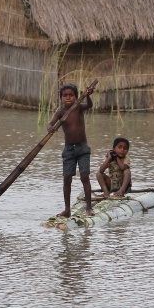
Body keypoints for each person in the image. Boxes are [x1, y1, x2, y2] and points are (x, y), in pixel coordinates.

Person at [48, 83, 95, 217]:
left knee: (84, 177)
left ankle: (88, 208)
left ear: (75, 96)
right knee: (67, 178)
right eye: (65, 96)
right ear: (61, 98)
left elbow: (90, 106)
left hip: (82, 148)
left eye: (71, 95)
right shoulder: (60, 112)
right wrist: (50, 128)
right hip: (69, 150)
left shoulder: (79, 107)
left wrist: (88, 96)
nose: (68, 98)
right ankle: (67, 209)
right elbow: (51, 123)